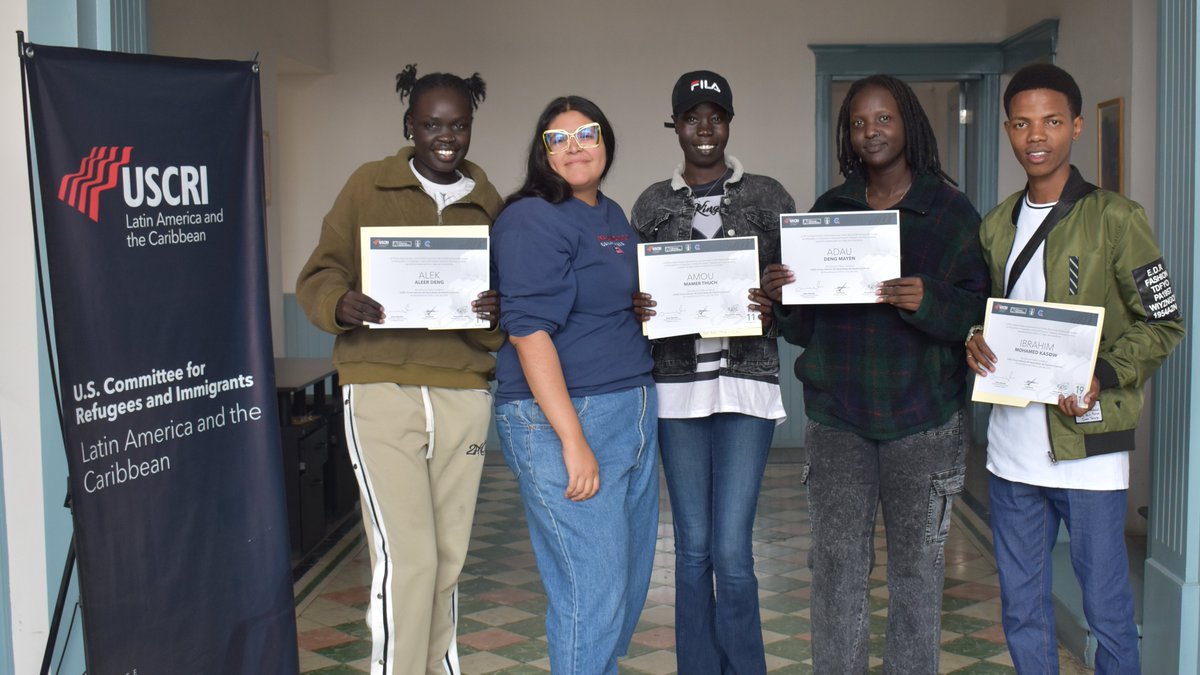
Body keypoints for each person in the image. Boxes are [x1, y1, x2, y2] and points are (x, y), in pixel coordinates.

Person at [760, 74, 989, 673]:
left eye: (884, 118)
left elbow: (978, 314)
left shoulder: (950, 212)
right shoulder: (829, 212)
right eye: (859, 123)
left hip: (924, 420)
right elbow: (802, 329)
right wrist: (784, 297)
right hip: (839, 419)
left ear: (908, 123)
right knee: (835, 570)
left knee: (917, 573)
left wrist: (929, 299)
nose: (871, 132)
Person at [966, 63, 1183, 674]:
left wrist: (1102, 376)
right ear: (1008, 130)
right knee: (1022, 611)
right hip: (1011, 453)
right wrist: (973, 338)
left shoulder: (1117, 218)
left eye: (1052, 121)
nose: (1036, 136)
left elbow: (1164, 322)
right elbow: (984, 313)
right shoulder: (996, 224)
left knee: (1107, 612)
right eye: (1022, 123)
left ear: (1077, 127)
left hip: (1088, 450)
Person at [295, 64, 503, 675]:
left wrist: (495, 309)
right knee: (407, 557)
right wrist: (339, 302)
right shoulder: (368, 185)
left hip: (463, 390)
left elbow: (505, 299)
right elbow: (322, 271)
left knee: (446, 558)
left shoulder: (488, 202)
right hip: (380, 385)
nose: (447, 137)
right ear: (410, 125)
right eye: (433, 124)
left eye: (458, 125)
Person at [630, 69, 794, 674]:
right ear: (675, 125)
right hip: (677, 391)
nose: (704, 128)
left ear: (729, 124)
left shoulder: (770, 197)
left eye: (715, 117)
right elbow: (635, 291)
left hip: (746, 387)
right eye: (691, 117)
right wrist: (638, 306)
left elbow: (800, 292)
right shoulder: (650, 204)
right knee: (693, 549)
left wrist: (777, 299)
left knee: (732, 551)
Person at [490, 95, 658, 674]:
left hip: (632, 409)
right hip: (565, 419)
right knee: (592, 591)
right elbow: (527, 332)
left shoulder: (611, 214)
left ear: (605, 141)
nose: (574, 148)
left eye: (586, 134)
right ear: (543, 153)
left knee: (626, 585)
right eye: (558, 139)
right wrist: (571, 439)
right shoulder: (530, 218)